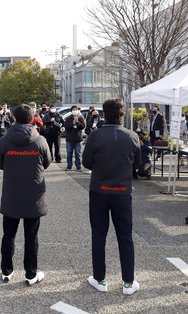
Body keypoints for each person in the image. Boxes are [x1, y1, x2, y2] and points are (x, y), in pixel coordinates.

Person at [82, 98, 141, 295]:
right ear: (122, 115)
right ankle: (128, 282)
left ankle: (100, 279)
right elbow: (138, 165)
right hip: (122, 192)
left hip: (99, 190)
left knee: (99, 235)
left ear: (104, 115)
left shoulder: (95, 136)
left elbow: (87, 163)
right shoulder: (132, 136)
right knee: (125, 237)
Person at [0, 104, 51, 286]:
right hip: (33, 194)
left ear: (14, 118)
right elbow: (47, 162)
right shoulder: (40, 140)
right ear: (32, 118)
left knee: (8, 234)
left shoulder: (5, 140)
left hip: (12, 192)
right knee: (31, 236)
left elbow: (0, 163)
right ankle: (31, 274)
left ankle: (6, 271)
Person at [64, 106, 86, 172]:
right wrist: (72, 123)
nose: (75, 110)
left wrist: (77, 122)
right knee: (69, 153)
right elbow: (66, 127)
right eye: (74, 109)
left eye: (76, 109)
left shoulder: (80, 118)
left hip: (78, 138)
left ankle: (78, 166)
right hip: (69, 138)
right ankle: (69, 166)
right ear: (71, 111)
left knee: (78, 153)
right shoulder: (68, 118)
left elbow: (82, 126)